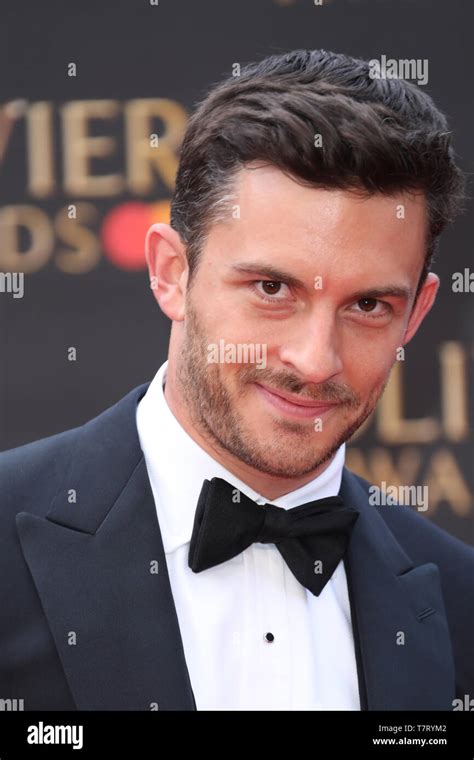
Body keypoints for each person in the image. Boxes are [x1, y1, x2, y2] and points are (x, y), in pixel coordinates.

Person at [1, 49, 472, 712]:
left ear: (417, 313)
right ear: (171, 272)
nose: (315, 361)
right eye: (271, 288)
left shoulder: (459, 602)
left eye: (368, 305)